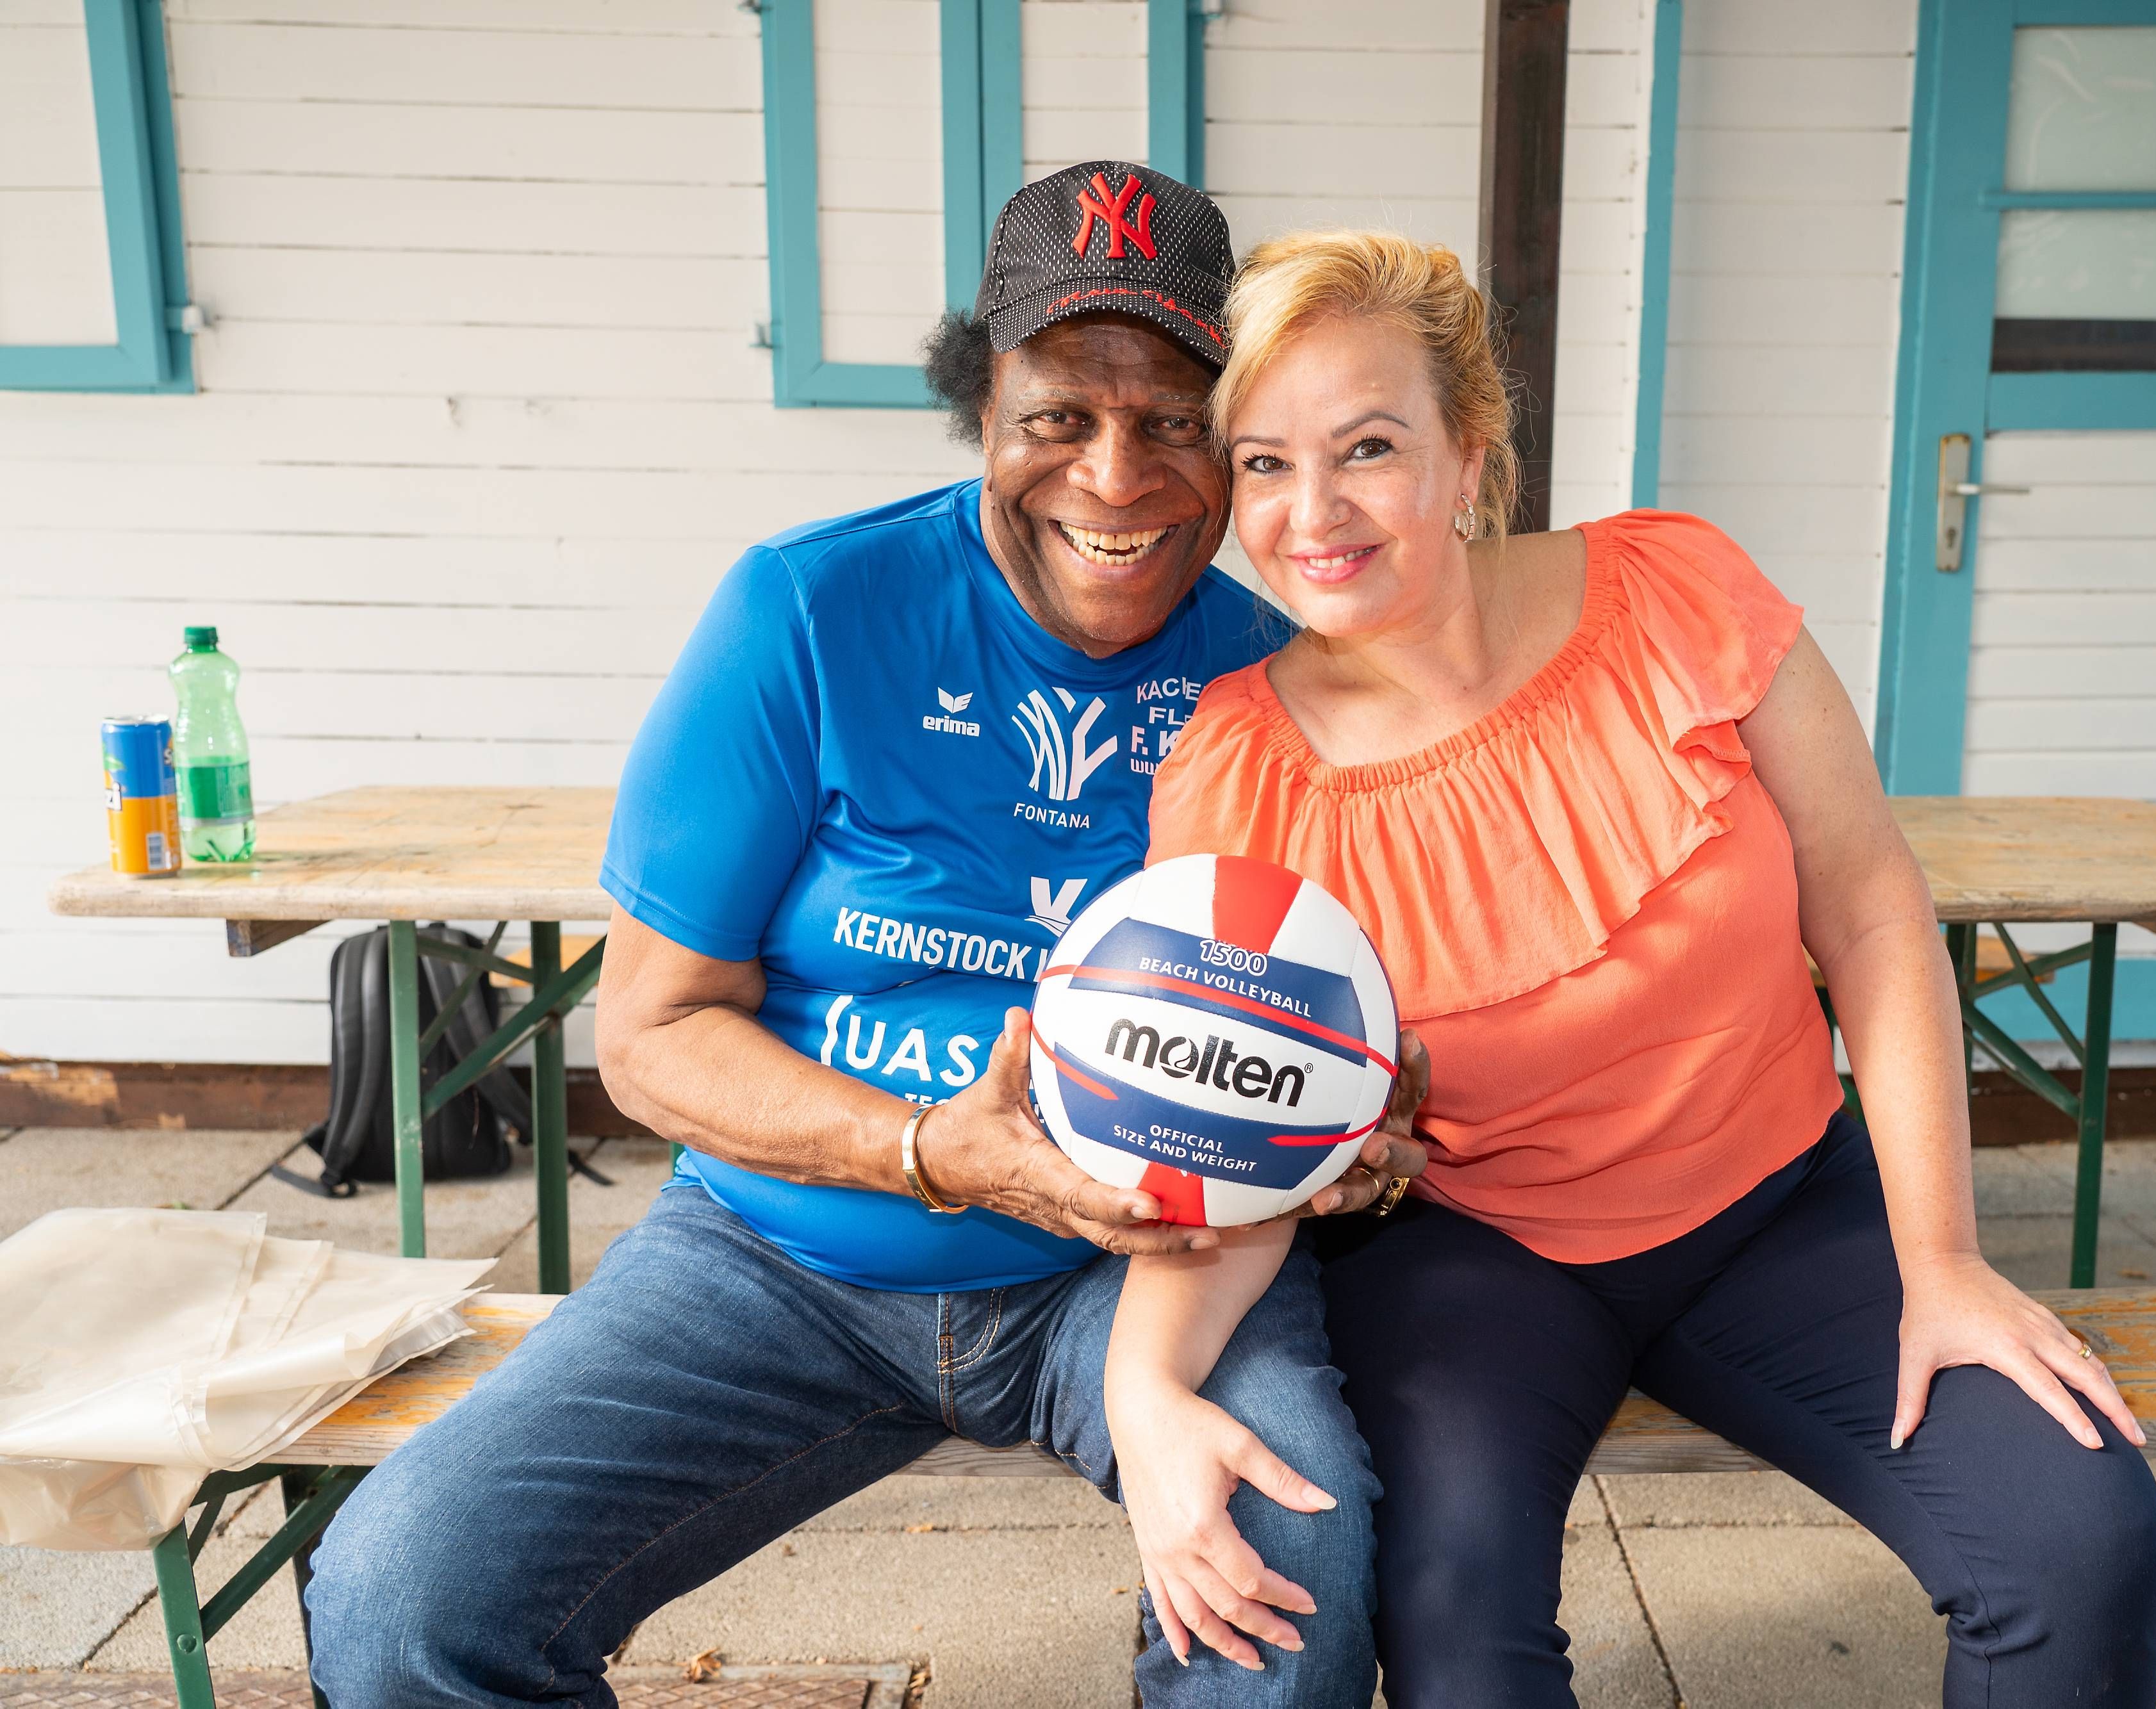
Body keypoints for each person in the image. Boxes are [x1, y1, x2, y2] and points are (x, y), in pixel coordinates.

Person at [302, 166, 1422, 1709]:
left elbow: (1348, 1020)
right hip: (779, 1258)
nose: (1113, 476)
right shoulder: (807, 611)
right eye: (1057, 415)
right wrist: (924, 1148)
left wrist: (1357, 1123)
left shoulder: (1284, 677)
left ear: (1230, 444)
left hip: (1141, 1268)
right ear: (982, 411)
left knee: (1291, 1554)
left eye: (1171, 420)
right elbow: (649, 1032)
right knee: (401, 1597)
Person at [1119, 229, 2156, 1706]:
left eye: (1366, 446)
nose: (1313, 512)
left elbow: (1871, 905)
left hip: (1778, 1201)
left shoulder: (1676, 591)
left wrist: (1944, 1262)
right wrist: (1143, 1386)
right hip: (1470, 1254)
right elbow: (1230, 1134)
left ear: (1469, 451)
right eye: (1263, 463)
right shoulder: (1235, 770)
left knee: (2078, 1540)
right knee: (1459, 1643)